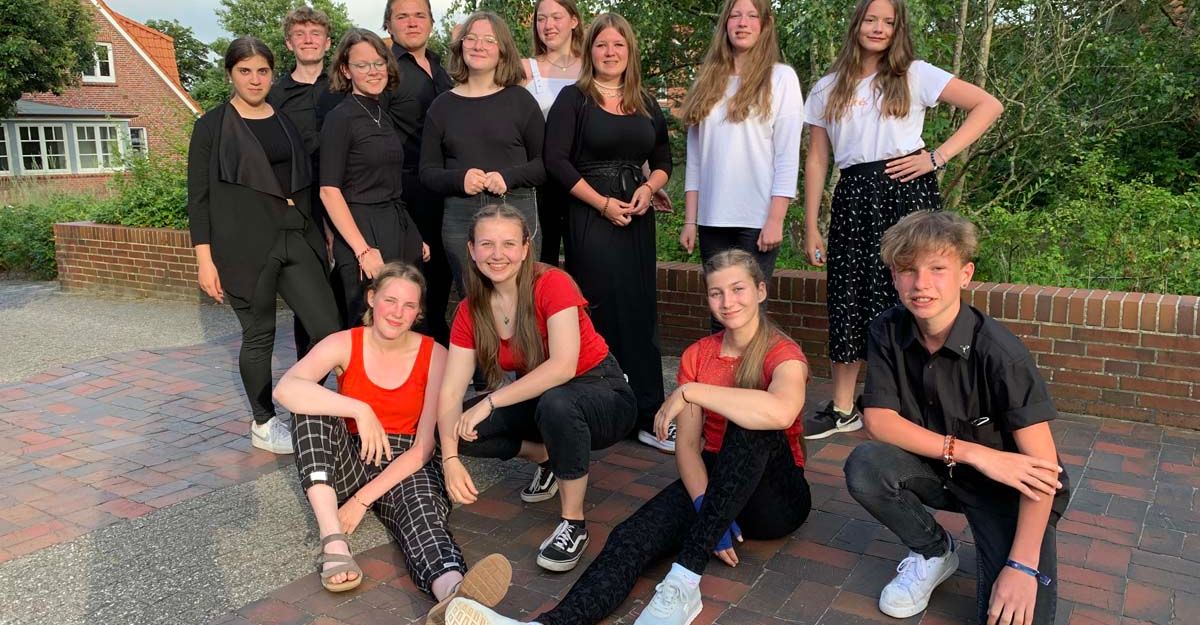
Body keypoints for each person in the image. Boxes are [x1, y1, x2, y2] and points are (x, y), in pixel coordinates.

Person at [445, 248, 813, 625]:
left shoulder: (782, 352)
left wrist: (692, 392)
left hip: (775, 499)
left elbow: (781, 411)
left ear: (761, 291)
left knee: (752, 425)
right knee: (630, 536)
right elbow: (688, 448)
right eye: (716, 293)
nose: (727, 302)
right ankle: (547, 623)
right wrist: (706, 506)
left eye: (738, 289)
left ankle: (685, 581)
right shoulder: (698, 355)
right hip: (716, 483)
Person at [842, 211, 1067, 625]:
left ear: (965, 275)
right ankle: (933, 550)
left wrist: (1021, 566)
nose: (921, 283)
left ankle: (1010, 555)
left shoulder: (1001, 353)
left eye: (937, 269)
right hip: (939, 469)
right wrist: (974, 453)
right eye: (907, 270)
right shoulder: (887, 330)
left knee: (1017, 618)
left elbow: (1043, 471)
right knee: (866, 465)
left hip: (1003, 490)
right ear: (893, 277)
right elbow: (878, 421)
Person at [801, 0, 1002, 440]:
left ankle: (914, 404)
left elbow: (988, 105)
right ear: (857, 24)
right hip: (854, 194)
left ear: (898, 30)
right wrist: (811, 223)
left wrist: (937, 157)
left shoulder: (915, 73)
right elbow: (817, 159)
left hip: (906, 191)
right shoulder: (826, 87)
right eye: (871, 19)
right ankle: (843, 408)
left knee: (914, 289)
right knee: (848, 293)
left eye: (888, 22)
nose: (878, 28)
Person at [272, 263, 511, 625]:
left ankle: (454, 595)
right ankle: (333, 540)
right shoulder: (344, 342)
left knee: (423, 514)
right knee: (309, 409)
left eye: (409, 305)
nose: (398, 312)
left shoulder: (435, 354)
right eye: (390, 300)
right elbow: (286, 389)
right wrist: (359, 409)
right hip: (352, 456)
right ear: (372, 298)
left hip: (405, 460)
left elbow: (423, 448)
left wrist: (361, 500)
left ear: (418, 313)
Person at [436, 205, 637, 573]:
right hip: (543, 397)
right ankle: (547, 458)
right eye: (487, 244)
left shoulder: (551, 283)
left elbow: (562, 366)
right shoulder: (470, 309)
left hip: (602, 392)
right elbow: (450, 393)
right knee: (458, 427)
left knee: (557, 404)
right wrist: (450, 459)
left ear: (526, 247)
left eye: (509, 243)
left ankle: (573, 524)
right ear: (471, 250)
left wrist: (491, 401)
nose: (497, 254)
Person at [187, 37, 341, 455]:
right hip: (244, 245)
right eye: (245, 71)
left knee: (328, 331)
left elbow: (303, 180)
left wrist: (320, 230)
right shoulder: (211, 127)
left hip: (296, 236)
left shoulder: (285, 120)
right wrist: (205, 260)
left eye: (262, 71)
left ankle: (305, 406)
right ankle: (264, 422)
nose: (255, 80)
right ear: (230, 74)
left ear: (273, 74)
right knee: (259, 335)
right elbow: (198, 198)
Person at [544, 13, 673, 452]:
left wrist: (649, 188)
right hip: (590, 215)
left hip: (637, 215)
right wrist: (600, 203)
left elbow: (663, 159)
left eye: (619, 44)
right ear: (590, 51)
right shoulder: (573, 99)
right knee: (598, 308)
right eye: (602, 45)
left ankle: (648, 413)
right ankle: (601, 412)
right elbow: (556, 161)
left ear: (629, 51)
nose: (610, 52)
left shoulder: (645, 101)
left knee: (639, 310)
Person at [678, 0, 801, 315]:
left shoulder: (781, 78)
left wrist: (775, 219)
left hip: (756, 220)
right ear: (725, 24)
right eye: (735, 15)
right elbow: (696, 160)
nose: (742, 22)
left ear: (764, 25)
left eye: (751, 15)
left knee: (749, 314)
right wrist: (690, 221)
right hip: (711, 220)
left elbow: (787, 156)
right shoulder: (707, 80)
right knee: (720, 312)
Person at [420, 11, 546, 293]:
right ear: (461, 45)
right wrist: (459, 179)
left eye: (489, 40)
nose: (478, 46)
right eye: (471, 38)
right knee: (474, 301)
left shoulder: (521, 100)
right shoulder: (442, 107)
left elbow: (543, 165)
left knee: (521, 299)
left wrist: (508, 177)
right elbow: (427, 172)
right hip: (461, 215)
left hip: (515, 208)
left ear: (502, 50)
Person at [320, 28, 430, 328]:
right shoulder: (340, 118)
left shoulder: (382, 114)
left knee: (406, 322)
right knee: (368, 326)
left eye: (379, 63)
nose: (373, 71)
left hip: (396, 223)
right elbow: (329, 191)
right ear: (346, 70)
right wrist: (363, 250)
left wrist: (412, 234)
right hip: (361, 229)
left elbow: (388, 181)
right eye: (362, 64)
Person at [268, 6, 346, 363]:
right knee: (309, 291)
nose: (308, 40)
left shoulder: (345, 88)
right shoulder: (275, 95)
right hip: (299, 203)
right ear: (289, 43)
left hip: (344, 198)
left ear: (328, 42)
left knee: (348, 286)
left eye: (316, 33)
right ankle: (309, 376)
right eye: (300, 34)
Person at [383, 0, 454, 345]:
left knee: (441, 282)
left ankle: (437, 358)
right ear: (388, 24)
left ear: (431, 22)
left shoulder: (443, 68)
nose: (412, 23)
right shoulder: (386, 71)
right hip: (406, 191)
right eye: (402, 16)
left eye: (419, 15)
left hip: (445, 191)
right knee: (410, 284)